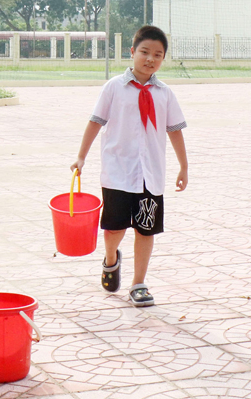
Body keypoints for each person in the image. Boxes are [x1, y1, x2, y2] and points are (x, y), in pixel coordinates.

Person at [70, 25, 188, 308]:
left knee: (146, 229)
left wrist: (184, 167)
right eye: (145, 52)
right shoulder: (114, 87)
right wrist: (81, 157)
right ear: (132, 52)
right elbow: (96, 121)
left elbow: (174, 130)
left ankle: (139, 283)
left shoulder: (164, 93)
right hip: (118, 172)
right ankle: (111, 259)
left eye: (157, 55)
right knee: (114, 228)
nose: (150, 59)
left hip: (151, 174)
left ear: (163, 59)